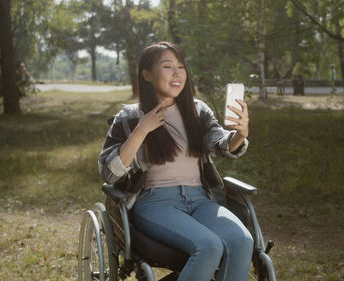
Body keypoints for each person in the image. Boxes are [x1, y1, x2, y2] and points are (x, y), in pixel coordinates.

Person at [98, 42, 253, 281]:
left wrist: (239, 135)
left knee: (242, 240)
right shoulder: (128, 118)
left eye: (181, 67)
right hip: (156, 203)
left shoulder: (197, 111)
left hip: (201, 200)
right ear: (147, 74)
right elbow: (109, 173)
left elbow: (220, 141)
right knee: (209, 246)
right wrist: (141, 131)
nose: (177, 73)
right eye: (168, 66)